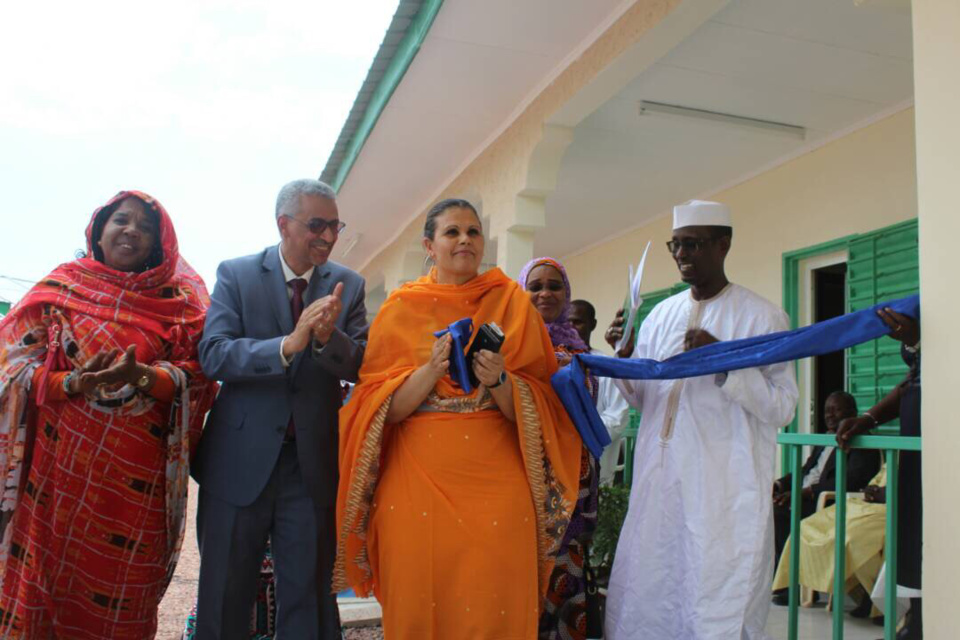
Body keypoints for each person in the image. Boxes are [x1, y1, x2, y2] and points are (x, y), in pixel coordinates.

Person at [334, 199, 582, 640]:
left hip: (496, 477)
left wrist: (502, 381)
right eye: (452, 232)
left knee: (494, 596)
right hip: (417, 477)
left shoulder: (512, 303)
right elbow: (379, 408)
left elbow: (542, 403)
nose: (465, 240)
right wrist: (429, 372)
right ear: (430, 245)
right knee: (419, 591)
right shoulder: (399, 309)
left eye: (473, 232)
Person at [0, 191, 216, 638]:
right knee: (47, 581)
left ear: (159, 244)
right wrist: (73, 383)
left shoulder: (183, 302)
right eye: (121, 220)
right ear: (98, 232)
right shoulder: (60, 288)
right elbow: (10, 365)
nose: (131, 229)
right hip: (56, 481)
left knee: (124, 593)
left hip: (134, 486)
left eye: (145, 226)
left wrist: (145, 377)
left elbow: (200, 375)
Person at [603, 200, 799, 640]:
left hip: (722, 490)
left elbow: (782, 406)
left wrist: (721, 360)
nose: (681, 255)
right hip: (660, 481)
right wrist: (625, 357)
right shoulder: (660, 315)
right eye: (676, 245)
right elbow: (645, 401)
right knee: (650, 590)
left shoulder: (762, 316)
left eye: (692, 244)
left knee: (712, 598)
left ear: (723, 244)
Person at [192, 179, 368, 640]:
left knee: (307, 598)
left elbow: (364, 364)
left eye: (335, 225)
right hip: (237, 462)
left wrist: (329, 338)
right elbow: (213, 354)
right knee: (224, 593)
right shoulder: (237, 274)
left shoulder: (348, 284)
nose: (328, 237)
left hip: (310, 468)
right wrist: (287, 347)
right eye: (317, 225)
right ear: (283, 224)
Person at [520, 259, 601, 640]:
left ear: (566, 294)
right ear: (522, 292)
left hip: (572, 481)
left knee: (565, 576)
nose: (545, 293)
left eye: (554, 286)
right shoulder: (511, 342)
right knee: (521, 576)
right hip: (523, 478)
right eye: (535, 286)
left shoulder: (578, 348)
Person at [836, 306, 922, 639]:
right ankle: (916, 621)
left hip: (943, 454)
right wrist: (869, 418)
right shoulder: (920, 310)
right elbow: (910, 384)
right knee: (916, 546)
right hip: (917, 458)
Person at [771, 391, 880, 579]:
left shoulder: (863, 442)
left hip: (827, 503)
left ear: (852, 412)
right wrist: (779, 484)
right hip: (804, 496)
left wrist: (807, 492)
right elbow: (806, 470)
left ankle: (791, 582)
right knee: (767, 506)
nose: (829, 415)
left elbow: (853, 480)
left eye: (835, 410)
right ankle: (775, 574)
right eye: (826, 411)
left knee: (779, 512)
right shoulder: (825, 439)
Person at [771, 466, 888, 619]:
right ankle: (793, 585)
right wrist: (871, 489)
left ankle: (877, 598)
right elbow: (877, 478)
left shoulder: (908, 451)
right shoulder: (897, 455)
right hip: (865, 506)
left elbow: (853, 479)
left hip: (889, 509)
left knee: (850, 540)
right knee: (804, 528)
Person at [569, 299, 630, 488]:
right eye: (567, 322)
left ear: (592, 324)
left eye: (577, 322)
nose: (571, 328)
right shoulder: (555, 362)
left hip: (597, 466)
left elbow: (618, 415)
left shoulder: (605, 365)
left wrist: (581, 435)